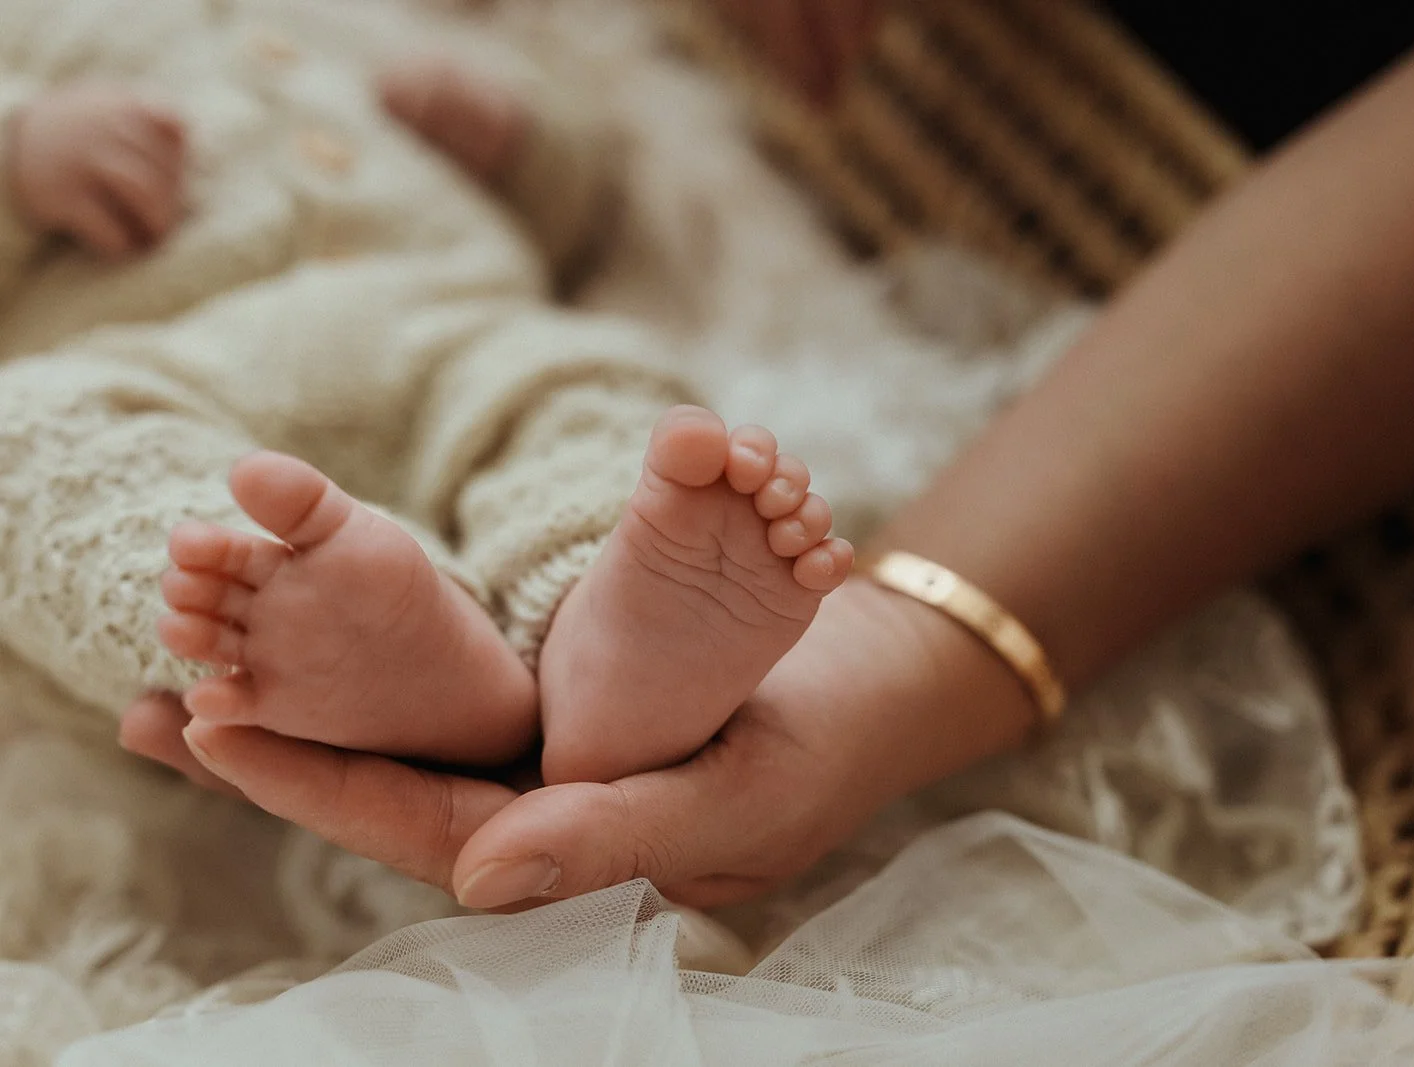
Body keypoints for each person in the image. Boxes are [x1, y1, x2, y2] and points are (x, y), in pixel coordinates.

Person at [122, 0, 1414, 912]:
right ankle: (352, 652)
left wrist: (499, 127)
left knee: (574, 410)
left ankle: (582, 629)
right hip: (140, 350)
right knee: (80, 471)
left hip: (454, 307)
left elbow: (574, 173)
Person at [0, 0, 853, 800]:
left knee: (580, 385)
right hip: (165, 364)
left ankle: (603, 625)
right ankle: (328, 639)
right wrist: (20, 150)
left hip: (450, 320)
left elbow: (574, 199)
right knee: (25, 437)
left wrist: (516, 138)